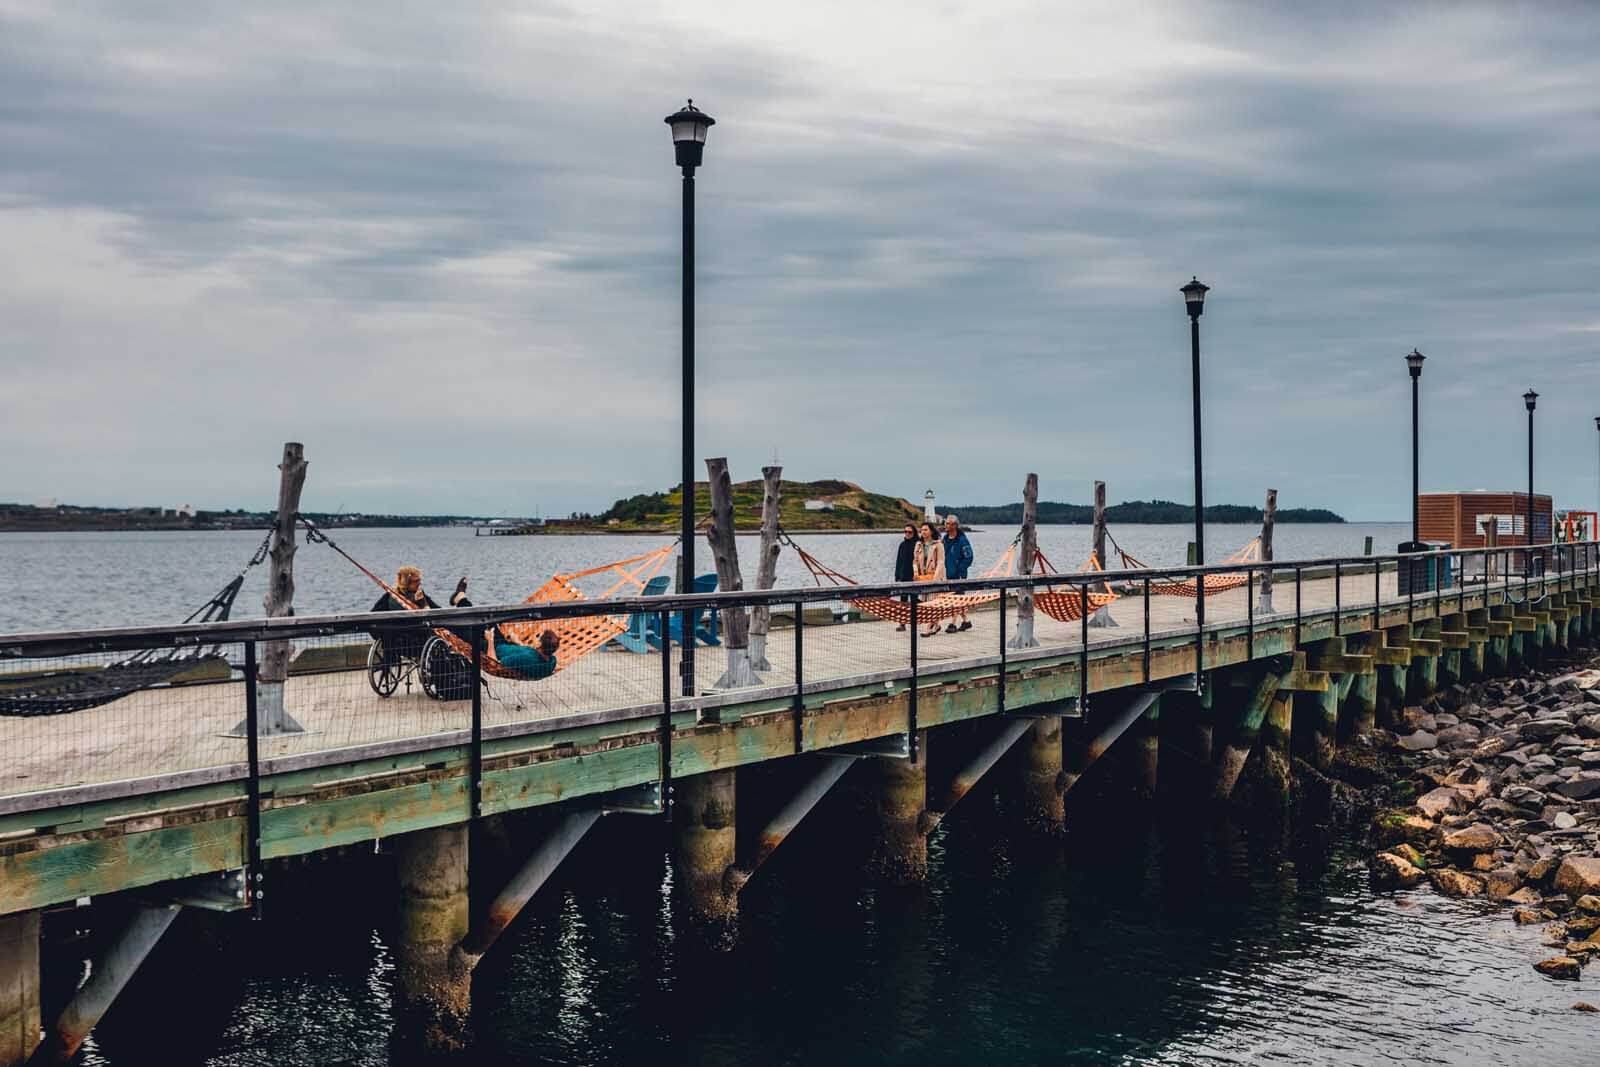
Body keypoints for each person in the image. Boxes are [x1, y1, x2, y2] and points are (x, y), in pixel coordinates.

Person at [370, 568, 471, 663]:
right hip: (416, 640)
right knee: (461, 628)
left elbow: (437, 610)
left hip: (401, 642)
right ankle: (461, 598)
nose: (419, 583)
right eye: (416, 581)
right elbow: (436, 611)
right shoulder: (411, 596)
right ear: (407, 583)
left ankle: (461, 599)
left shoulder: (393, 596)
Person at [942, 515, 975, 633]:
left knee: (955, 599)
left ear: (955, 525)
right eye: (946, 523)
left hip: (959, 575)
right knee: (956, 599)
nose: (946, 525)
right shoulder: (945, 539)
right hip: (947, 573)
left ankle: (952, 624)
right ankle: (966, 621)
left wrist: (960, 569)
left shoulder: (962, 540)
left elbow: (969, 557)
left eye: (949, 523)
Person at [912, 522, 944, 638]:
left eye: (925, 530)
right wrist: (915, 572)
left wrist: (935, 578)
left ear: (931, 531)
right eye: (921, 530)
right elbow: (915, 561)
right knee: (925, 602)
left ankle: (927, 629)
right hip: (922, 578)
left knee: (931, 603)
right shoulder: (918, 545)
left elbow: (941, 562)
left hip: (934, 578)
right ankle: (936, 624)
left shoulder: (938, 544)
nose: (923, 532)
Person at [493, 627, 561, 680]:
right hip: (507, 644)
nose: (535, 637)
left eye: (538, 636)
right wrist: (518, 642)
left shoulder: (525, 659)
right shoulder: (552, 661)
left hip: (496, 648)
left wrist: (490, 639)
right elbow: (528, 653)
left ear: (540, 643)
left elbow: (495, 664)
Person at [893, 523, 918, 632]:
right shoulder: (902, 545)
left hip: (914, 577)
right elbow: (898, 561)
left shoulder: (918, 544)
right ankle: (902, 623)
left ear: (914, 533)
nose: (907, 534)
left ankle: (915, 621)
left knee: (914, 601)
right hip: (903, 577)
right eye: (905, 532)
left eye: (910, 532)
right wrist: (897, 576)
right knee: (903, 602)